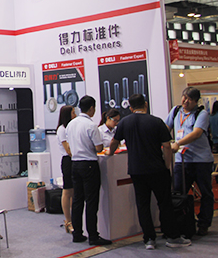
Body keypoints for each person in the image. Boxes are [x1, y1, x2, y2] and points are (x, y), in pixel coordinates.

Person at [108, 94, 191, 249]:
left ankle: (149, 239)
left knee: (142, 204)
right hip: (157, 169)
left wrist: (110, 153)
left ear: (131, 108)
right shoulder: (156, 122)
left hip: (136, 170)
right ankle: (172, 237)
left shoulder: (125, 122)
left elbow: (114, 142)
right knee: (164, 203)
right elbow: (167, 146)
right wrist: (167, 165)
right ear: (145, 104)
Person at [165, 87, 214, 237]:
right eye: (184, 97)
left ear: (196, 101)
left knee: (205, 193)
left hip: (201, 160)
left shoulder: (202, 113)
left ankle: (204, 223)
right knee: (179, 192)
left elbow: (196, 133)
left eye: (190, 99)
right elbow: (166, 128)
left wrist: (178, 143)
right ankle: (183, 224)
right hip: (182, 160)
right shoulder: (175, 111)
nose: (185, 101)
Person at [65, 95, 111, 246]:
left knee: (77, 200)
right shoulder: (91, 126)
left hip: (75, 164)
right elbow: (98, 147)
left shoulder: (71, 124)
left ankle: (77, 233)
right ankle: (93, 235)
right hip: (89, 165)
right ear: (91, 108)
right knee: (91, 201)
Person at [57, 105, 76, 233]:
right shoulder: (62, 129)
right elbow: (68, 150)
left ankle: (75, 219)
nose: (75, 115)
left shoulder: (71, 127)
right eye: (73, 113)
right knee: (67, 191)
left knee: (75, 192)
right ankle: (68, 221)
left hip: (74, 160)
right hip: (68, 161)